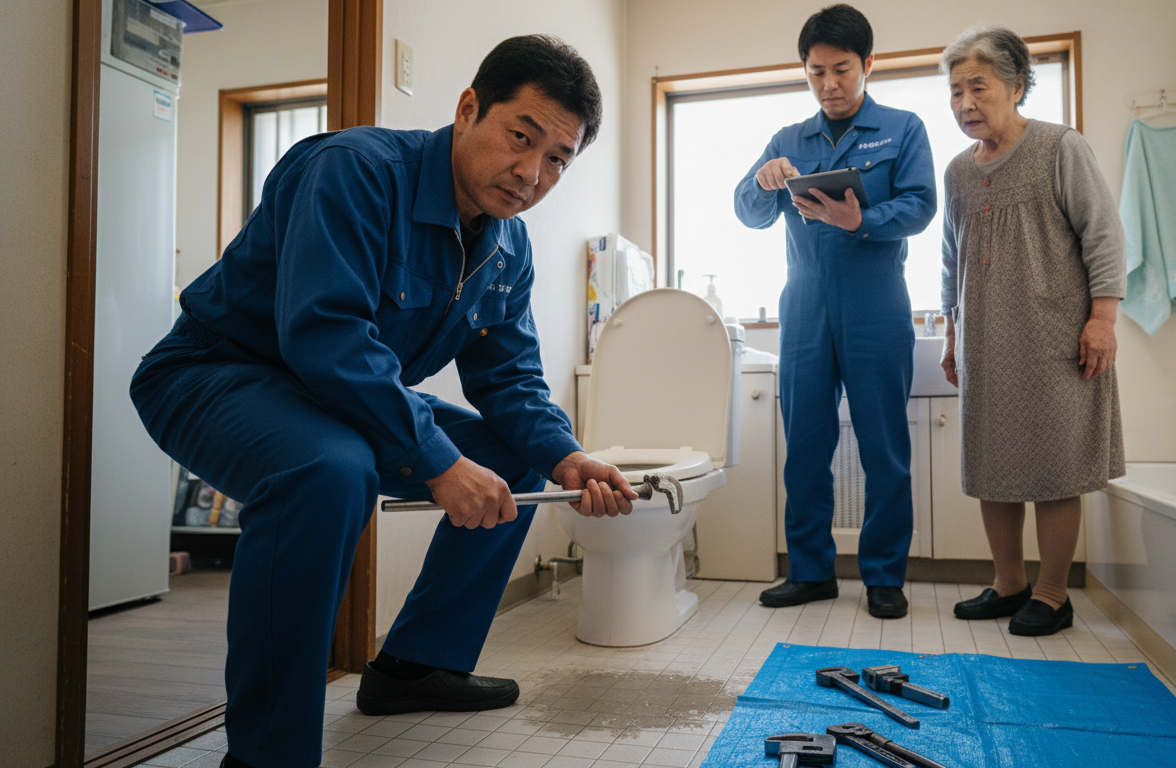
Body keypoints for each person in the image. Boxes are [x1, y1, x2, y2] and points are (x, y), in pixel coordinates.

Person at [130, 36, 636, 768]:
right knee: (330, 470)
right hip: (214, 373)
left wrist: (566, 456)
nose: (531, 173)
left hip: (325, 398)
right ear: (468, 109)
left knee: (509, 456)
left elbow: (510, 379)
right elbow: (326, 334)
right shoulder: (355, 171)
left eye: (558, 157)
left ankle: (413, 666)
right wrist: (433, 460)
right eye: (520, 137)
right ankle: (268, 755)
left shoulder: (509, 246)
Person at [734, 4, 937, 619]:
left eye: (842, 70)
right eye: (816, 71)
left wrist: (864, 220)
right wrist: (764, 181)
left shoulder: (903, 127)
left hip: (876, 302)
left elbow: (923, 206)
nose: (829, 84)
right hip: (803, 307)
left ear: (868, 65)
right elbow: (747, 212)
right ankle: (812, 571)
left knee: (883, 445)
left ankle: (883, 577)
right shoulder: (787, 140)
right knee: (806, 444)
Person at [938, 25, 1126, 637]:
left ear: (1017, 85)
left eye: (979, 88)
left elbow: (1104, 235)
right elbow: (950, 257)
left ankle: (1052, 594)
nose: (966, 103)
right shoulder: (958, 172)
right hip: (984, 342)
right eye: (956, 90)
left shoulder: (1059, 147)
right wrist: (950, 334)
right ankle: (1008, 583)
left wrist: (1103, 319)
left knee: (1052, 465)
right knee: (992, 463)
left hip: (1053, 339)